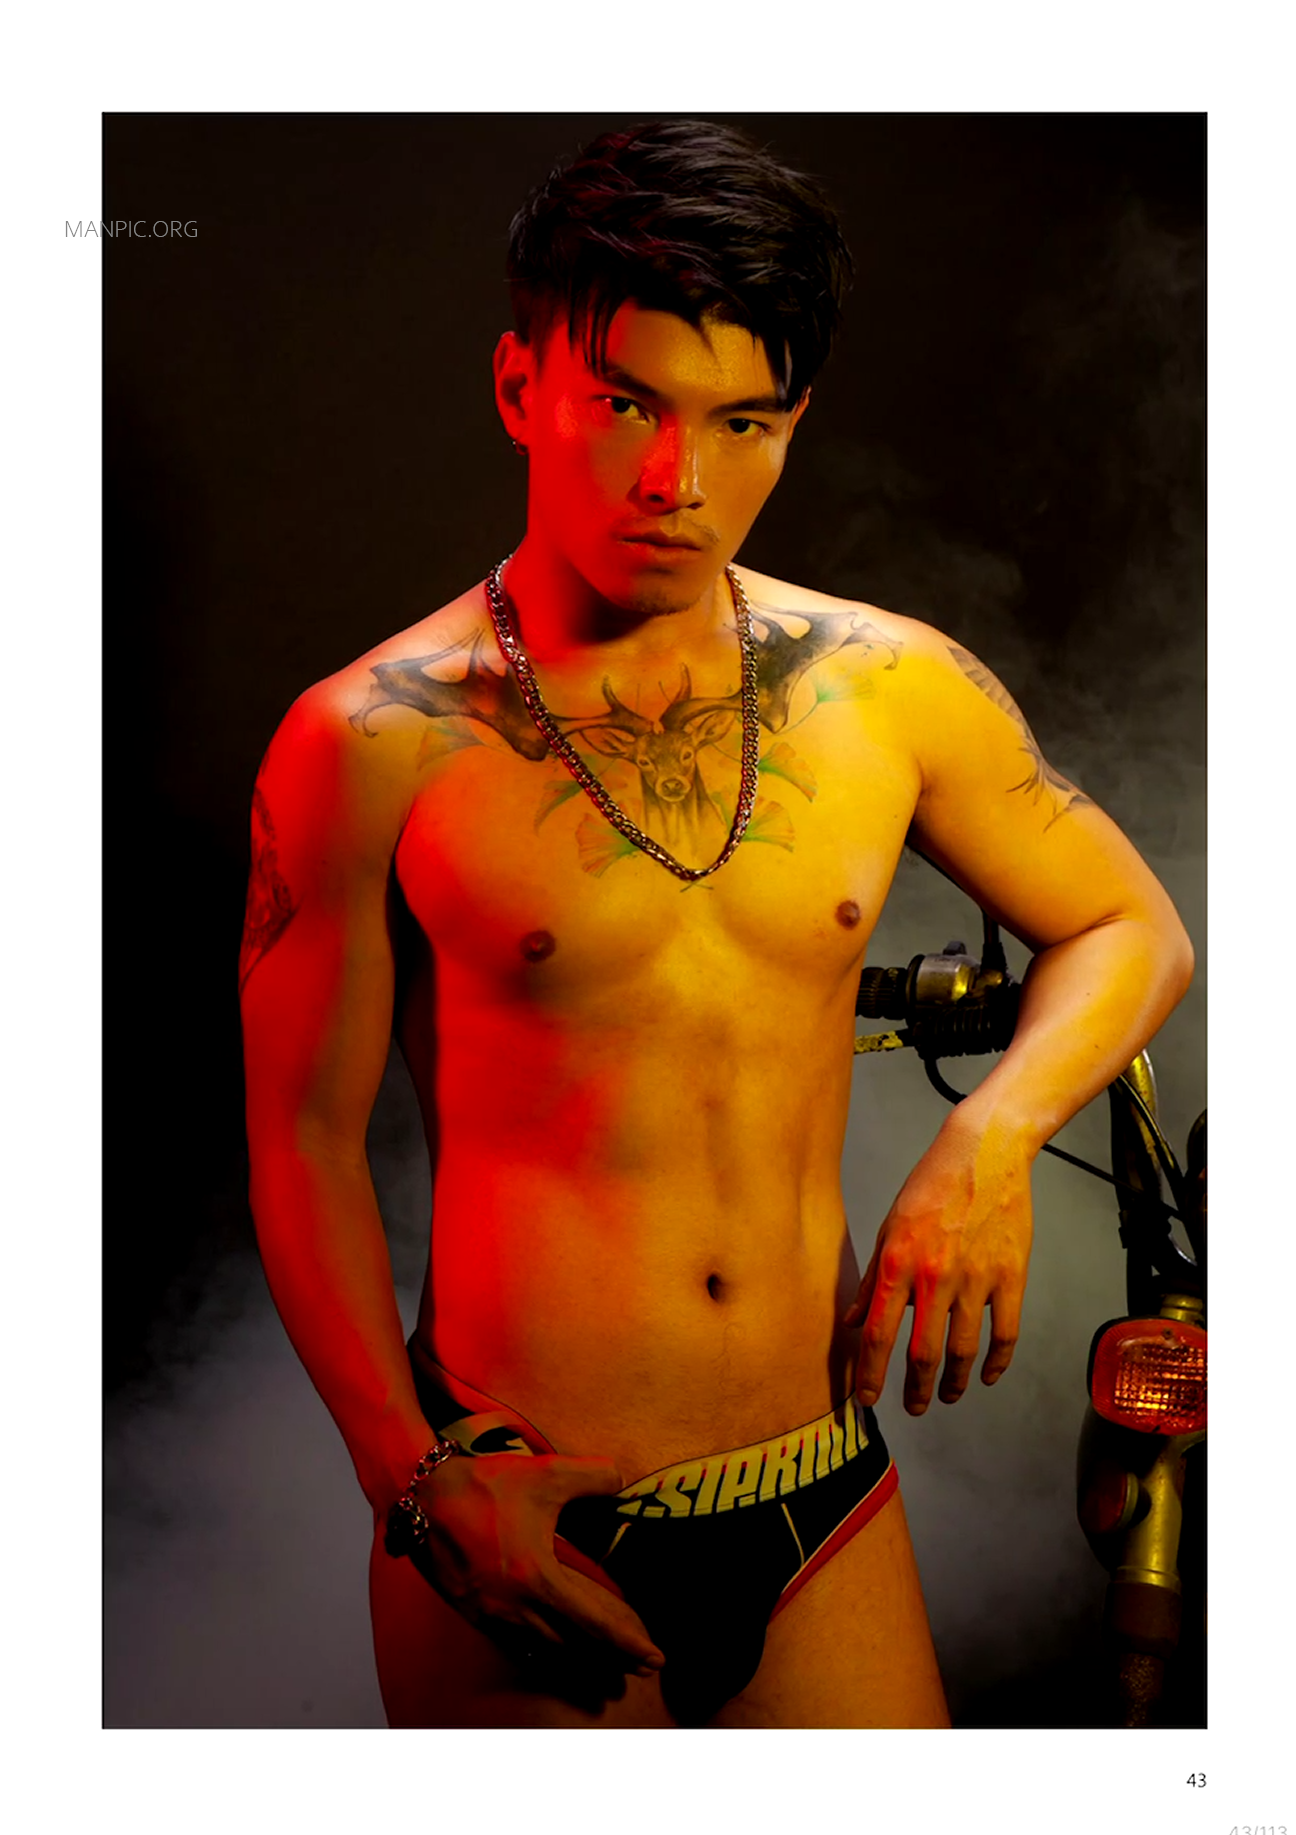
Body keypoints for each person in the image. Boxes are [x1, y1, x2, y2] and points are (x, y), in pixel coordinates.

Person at [239, 119, 1193, 1729]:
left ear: (794, 422)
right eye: (628, 405)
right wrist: (412, 1481)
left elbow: (1130, 926)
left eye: (742, 421)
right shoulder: (368, 740)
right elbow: (301, 1145)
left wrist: (991, 1139)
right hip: (528, 1515)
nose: (679, 484)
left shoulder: (888, 687)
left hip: (819, 1498)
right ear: (519, 385)